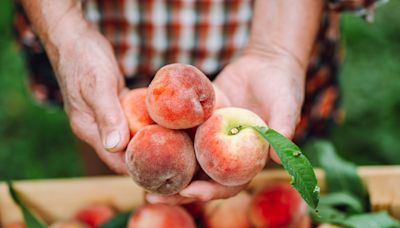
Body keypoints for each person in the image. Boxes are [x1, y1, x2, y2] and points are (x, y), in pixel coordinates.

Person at [14, 0, 381, 204]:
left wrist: (279, 49)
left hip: (267, 30)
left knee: (258, 191)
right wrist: (65, 30)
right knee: (110, 138)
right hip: (110, 36)